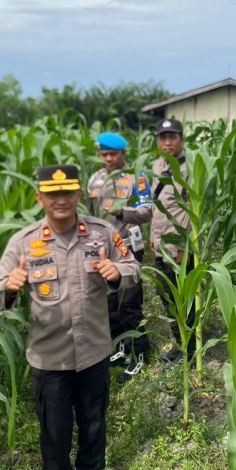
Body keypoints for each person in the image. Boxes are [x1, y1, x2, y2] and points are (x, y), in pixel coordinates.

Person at [0, 164, 140, 470]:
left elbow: (133, 268)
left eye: (67, 192)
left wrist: (116, 273)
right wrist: (10, 288)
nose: (61, 199)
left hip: (94, 353)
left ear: (79, 194)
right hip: (49, 359)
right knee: (54, 434)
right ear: (39, 197)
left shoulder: (101, 233)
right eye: (53, 193)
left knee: (94, 426)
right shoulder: (23, 243)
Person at [86, 132, 153, 383]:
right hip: (102, 250)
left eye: (113, 154)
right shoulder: (95, 179)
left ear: (124, 153)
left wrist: (121, 211)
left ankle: (140, 354)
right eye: (104, 154)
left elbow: (147, 212)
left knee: (129, 305)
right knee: (110, 304)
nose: (108, 158)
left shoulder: (136, 177)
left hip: (127, 248)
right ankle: (121, 348)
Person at [149, 118, 194, 365]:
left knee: (184, 298)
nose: (167, 142)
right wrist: (152, 239)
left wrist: (183, 247)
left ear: (181, 140)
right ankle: (179, 343)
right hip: (161, 245)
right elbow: (158, 207)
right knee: (165, 294)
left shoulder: (190, 170)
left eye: (172, 137)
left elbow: (194, 212)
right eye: (163, 137)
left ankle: (190, 346)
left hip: (179, 248)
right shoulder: (158, 165)